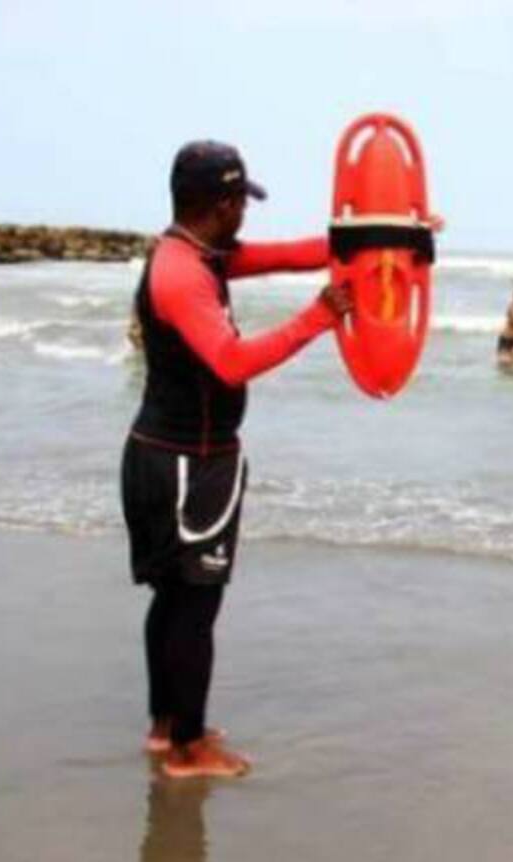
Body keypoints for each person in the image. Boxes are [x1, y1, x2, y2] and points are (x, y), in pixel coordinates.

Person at [121, 140, 354, 779]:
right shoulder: (182, 275)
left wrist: (376, 241)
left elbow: (284, 255)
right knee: (195, 605)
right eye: (241, 202)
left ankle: (168, 728)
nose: (246, 214)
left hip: (165, 455)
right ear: (222, 205)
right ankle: (190, 749)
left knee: (173, 599)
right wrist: (318, 318)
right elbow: (230, 362)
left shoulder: (191, 253)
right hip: (189, 467)